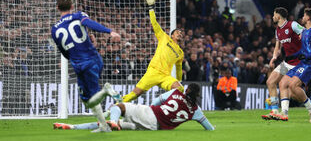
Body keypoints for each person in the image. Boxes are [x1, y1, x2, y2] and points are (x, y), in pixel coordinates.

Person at [51, 0, 121, 133]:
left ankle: (106, 92)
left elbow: (64, 52)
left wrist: (72, 56)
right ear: (72, 6)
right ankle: (103, 126)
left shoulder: (54, 29)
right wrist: (109, 31)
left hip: (81, 64)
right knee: (88, 99)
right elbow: (89, 23)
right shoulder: (79, 15)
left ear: (57, 8)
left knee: (90, 100)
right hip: (94, 59)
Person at [53, 83, 215, 131]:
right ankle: (72, 127)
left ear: (186, 90)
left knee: (119, 106)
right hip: (153, 127)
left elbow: (157, 102)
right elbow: (209, 128)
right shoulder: (196, 110)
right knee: (104, 125)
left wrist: (148, 111)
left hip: (151, 114)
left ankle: (114, 122)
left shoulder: (175, 92)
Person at [122, 0, 184, 102]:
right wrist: (151, 8)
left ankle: (165, 108)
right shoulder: (164, 38)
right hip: (153, 72)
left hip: (165, 77)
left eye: (181, 33)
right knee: (136, 93)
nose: (180, 34)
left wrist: (179, 80)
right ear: (172, 35)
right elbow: (154, 23)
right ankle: (117, 106)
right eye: (177, 32)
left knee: (179, 88)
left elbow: (179, 68)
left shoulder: (180, 52)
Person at [279, 8, 311, 123]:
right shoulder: (304, 32)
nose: (302, 18)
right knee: (283, 83)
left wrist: (308, 56)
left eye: (304, 16)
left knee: (294, 86)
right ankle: (284, 113)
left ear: (309, 18)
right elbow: (303, 51)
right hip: (303, 63)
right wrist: (293, 56)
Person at [261, 7, 304, 121]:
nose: (273, 17)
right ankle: (275, 111)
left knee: (293, 91)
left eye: (274, 15)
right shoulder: (278, 30)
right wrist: (274, 57)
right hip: (287, 62)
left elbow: (306, 33)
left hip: (298, 62)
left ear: (278, 16)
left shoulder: (292, 25)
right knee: (270, 81)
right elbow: (277, 47)